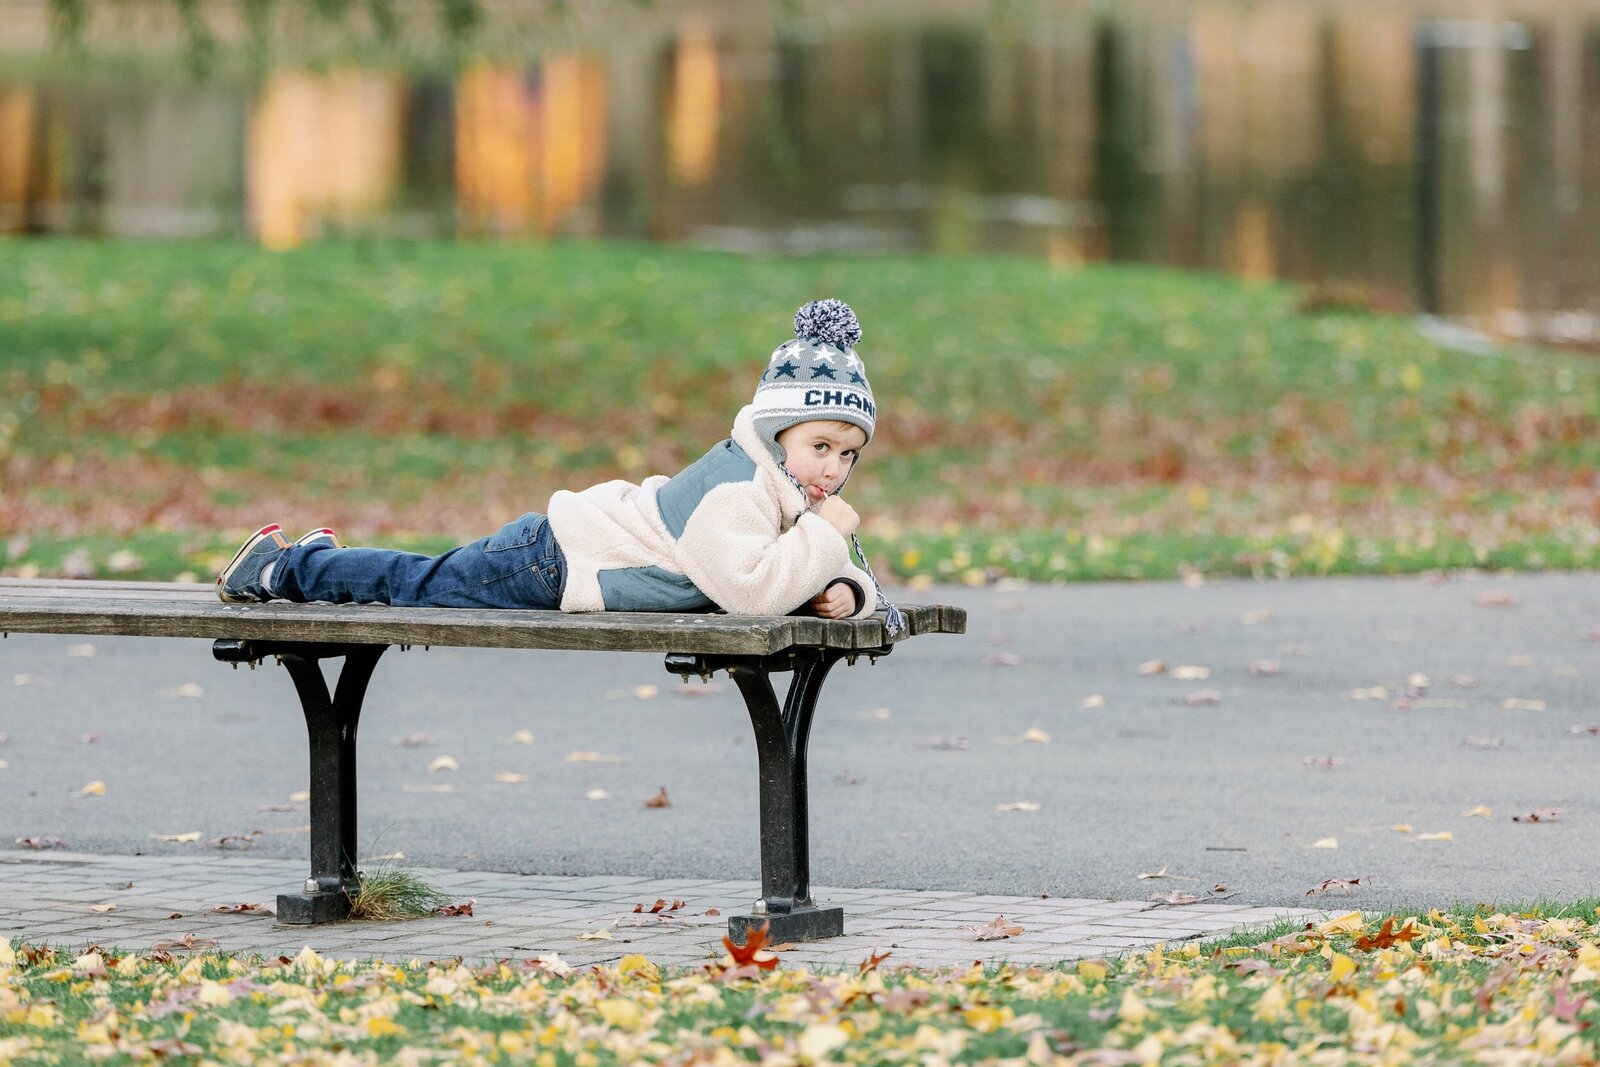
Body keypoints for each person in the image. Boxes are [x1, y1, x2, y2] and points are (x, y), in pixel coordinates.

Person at [216, 299, 903, 631]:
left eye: (848, 453)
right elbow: (752, 593)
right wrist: (826, 539)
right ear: (775, 431)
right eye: (821, 447)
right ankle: (285, 568)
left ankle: (314, 561)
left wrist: (850, 593)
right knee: (418, 584)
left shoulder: (788, 493)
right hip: (553, 558)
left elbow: (824, 570)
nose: (834, 469)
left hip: (569, 550)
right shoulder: (738, 491)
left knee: (421, 577)